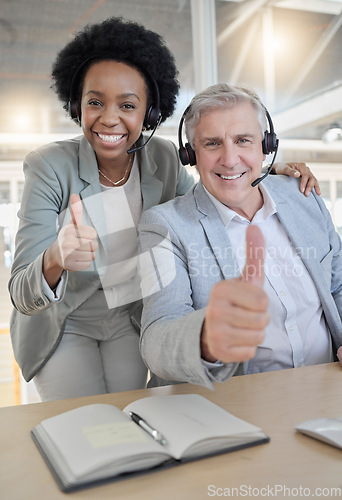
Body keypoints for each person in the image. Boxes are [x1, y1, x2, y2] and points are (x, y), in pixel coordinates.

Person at [9, 17, 320, 402]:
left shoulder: (164, 159)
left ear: (150, 114)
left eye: (127, 105)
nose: (109, 117)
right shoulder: (48, 166)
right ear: (77, 106)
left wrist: (270, 172)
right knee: (82, 420)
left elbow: (209, 196)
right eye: (95, 102)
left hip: (128, 318)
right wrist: (55, 258)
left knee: (128, 420)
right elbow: (21, 290)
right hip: (66, 321)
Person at [138, 83, 342, 389]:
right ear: (191, 154)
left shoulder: (304, 197)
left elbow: (338, 286)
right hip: (236, 404)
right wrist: (207, 336)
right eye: (212, 144)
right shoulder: (165, 226)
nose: (230, 159)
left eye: (243, 140)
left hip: (327, 388)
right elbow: (156, 338)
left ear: (266, 145)